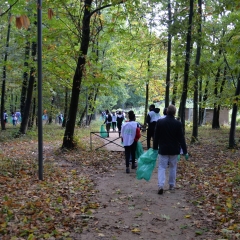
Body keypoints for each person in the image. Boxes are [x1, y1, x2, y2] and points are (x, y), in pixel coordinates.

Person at [153, 104, 188, 195]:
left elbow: (156, 137)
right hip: (174, 150)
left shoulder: (160, 122)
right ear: (175, 112)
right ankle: (171, 185)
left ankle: (161, 185)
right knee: (173, 167)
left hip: (163, 149)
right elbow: (181, 138)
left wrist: (155, 148)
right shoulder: (178, 123)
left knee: (162, 167)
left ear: (167, 111)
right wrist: (185, 151)